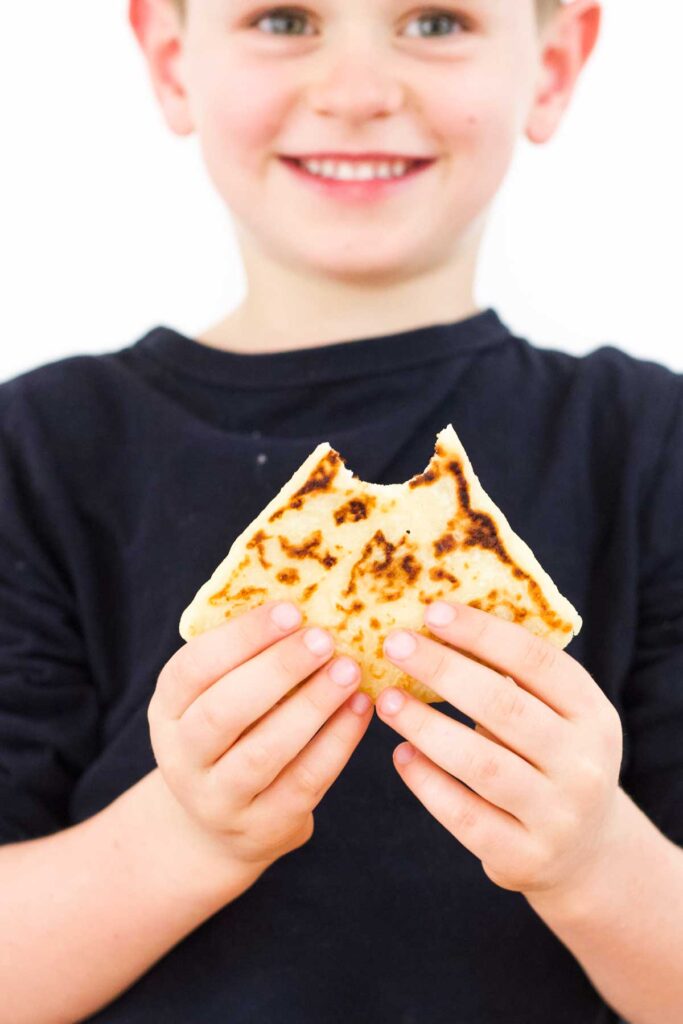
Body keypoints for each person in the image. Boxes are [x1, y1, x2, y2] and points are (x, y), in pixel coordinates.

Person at [0, 0, 681, 1021]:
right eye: (282, 19)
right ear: (172, 58)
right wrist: (185, 837)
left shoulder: (649, 447)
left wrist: (592, 860)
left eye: (436, 21)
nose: (358, 92)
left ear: (550, 65)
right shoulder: (40, 454)